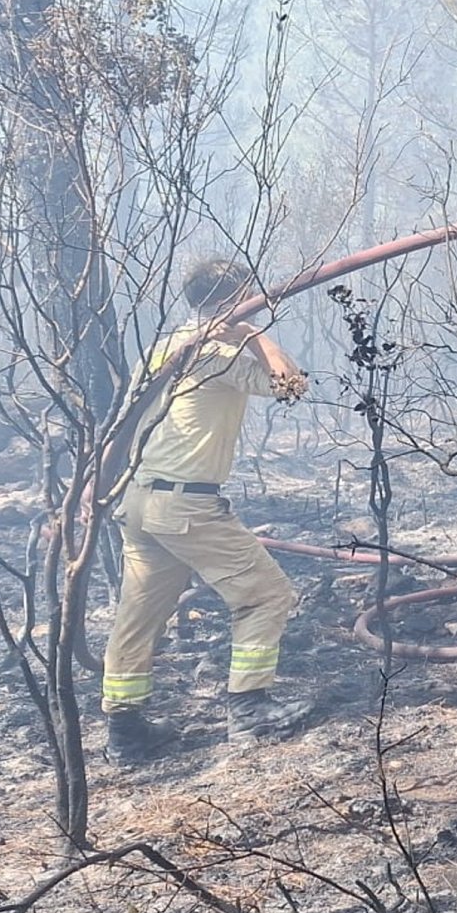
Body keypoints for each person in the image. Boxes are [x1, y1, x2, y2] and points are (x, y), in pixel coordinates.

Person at [101, 257, 311, 760]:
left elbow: (128, 417)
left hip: (138, 500)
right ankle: (250, 708)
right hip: (186, 507)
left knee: (139, 612)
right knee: (266, 595)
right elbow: (291, 385)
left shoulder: (162, 350)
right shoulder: (218, 353)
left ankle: (124, 732)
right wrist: (254, 334)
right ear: (233, 298)